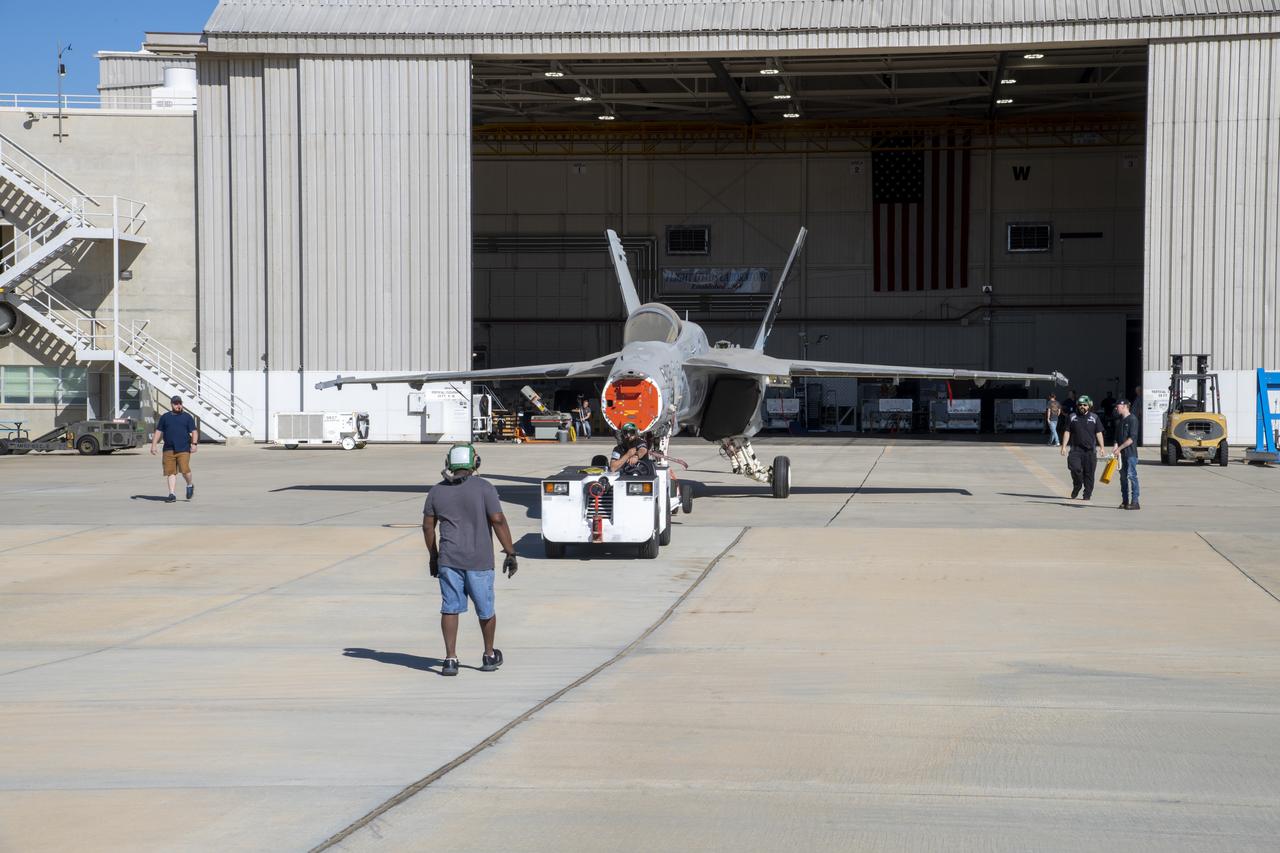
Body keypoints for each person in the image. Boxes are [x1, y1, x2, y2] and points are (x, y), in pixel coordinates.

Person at [422, 443, 518, 677]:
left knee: (450, 608)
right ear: (475, 463)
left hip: (449, 559)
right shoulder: (484, 487)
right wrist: (510, 551)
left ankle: (450, 659)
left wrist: (433, 556)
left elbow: (428, 527)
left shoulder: (436, 491)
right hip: (479, 560)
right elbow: (497, 519)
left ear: (449, 463)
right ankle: (488, 655)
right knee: (485, 610)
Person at [150, 395, 198, 503]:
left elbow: (194, 431)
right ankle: (172, 494)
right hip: (168, 449)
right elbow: (158, 432)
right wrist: (154, 445)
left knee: (185, 470)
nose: (178, 405)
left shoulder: (187, 417)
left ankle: (189, 485)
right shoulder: (165, 417)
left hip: (184, 448)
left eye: (180, 403)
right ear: (171, 404)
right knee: (170, 472)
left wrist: (194, 444)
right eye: (176, 403)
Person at [1060, 394, 1106, 500]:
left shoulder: (1094, 418)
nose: (1082, 406)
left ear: (1089, 406)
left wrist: (1102, 447)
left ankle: (1087, 494)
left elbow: (1099, 433)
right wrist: (1063, 446)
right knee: (1075, 469)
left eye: (1085, 405)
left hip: (1090, 451)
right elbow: (1067, 431)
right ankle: (1077, 485)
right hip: (1075, 450)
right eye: (1080, 405)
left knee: (1089, 474)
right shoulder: (1072, 417)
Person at [1112, 399, 1141, 510]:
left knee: (1131, 476)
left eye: (1118, 406)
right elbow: (1116, 437)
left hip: (1130, 454)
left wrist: (1119, 448)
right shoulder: (1119, 420)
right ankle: (1125, 501)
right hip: (1121, 455)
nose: (1116, 408)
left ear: (1124, 406)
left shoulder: (1133, 419)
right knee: (1123, 478)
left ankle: (1135, 502)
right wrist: (1115, 446)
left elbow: (1131, 439)